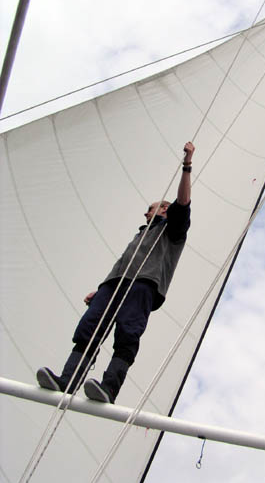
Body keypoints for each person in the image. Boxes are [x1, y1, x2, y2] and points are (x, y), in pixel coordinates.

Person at [37, 142, 195, 404]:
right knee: (89, 328)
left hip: (144, 285)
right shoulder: (140, 234)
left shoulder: (172, 231)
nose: (146, 211)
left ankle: (109, 388)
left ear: (164, 210)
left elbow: (183, 202)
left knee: (127, 332)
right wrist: (101, 289)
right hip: (113, 285)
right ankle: (68, 380)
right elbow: (124, 265)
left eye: (151, 207)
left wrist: (187, 164)